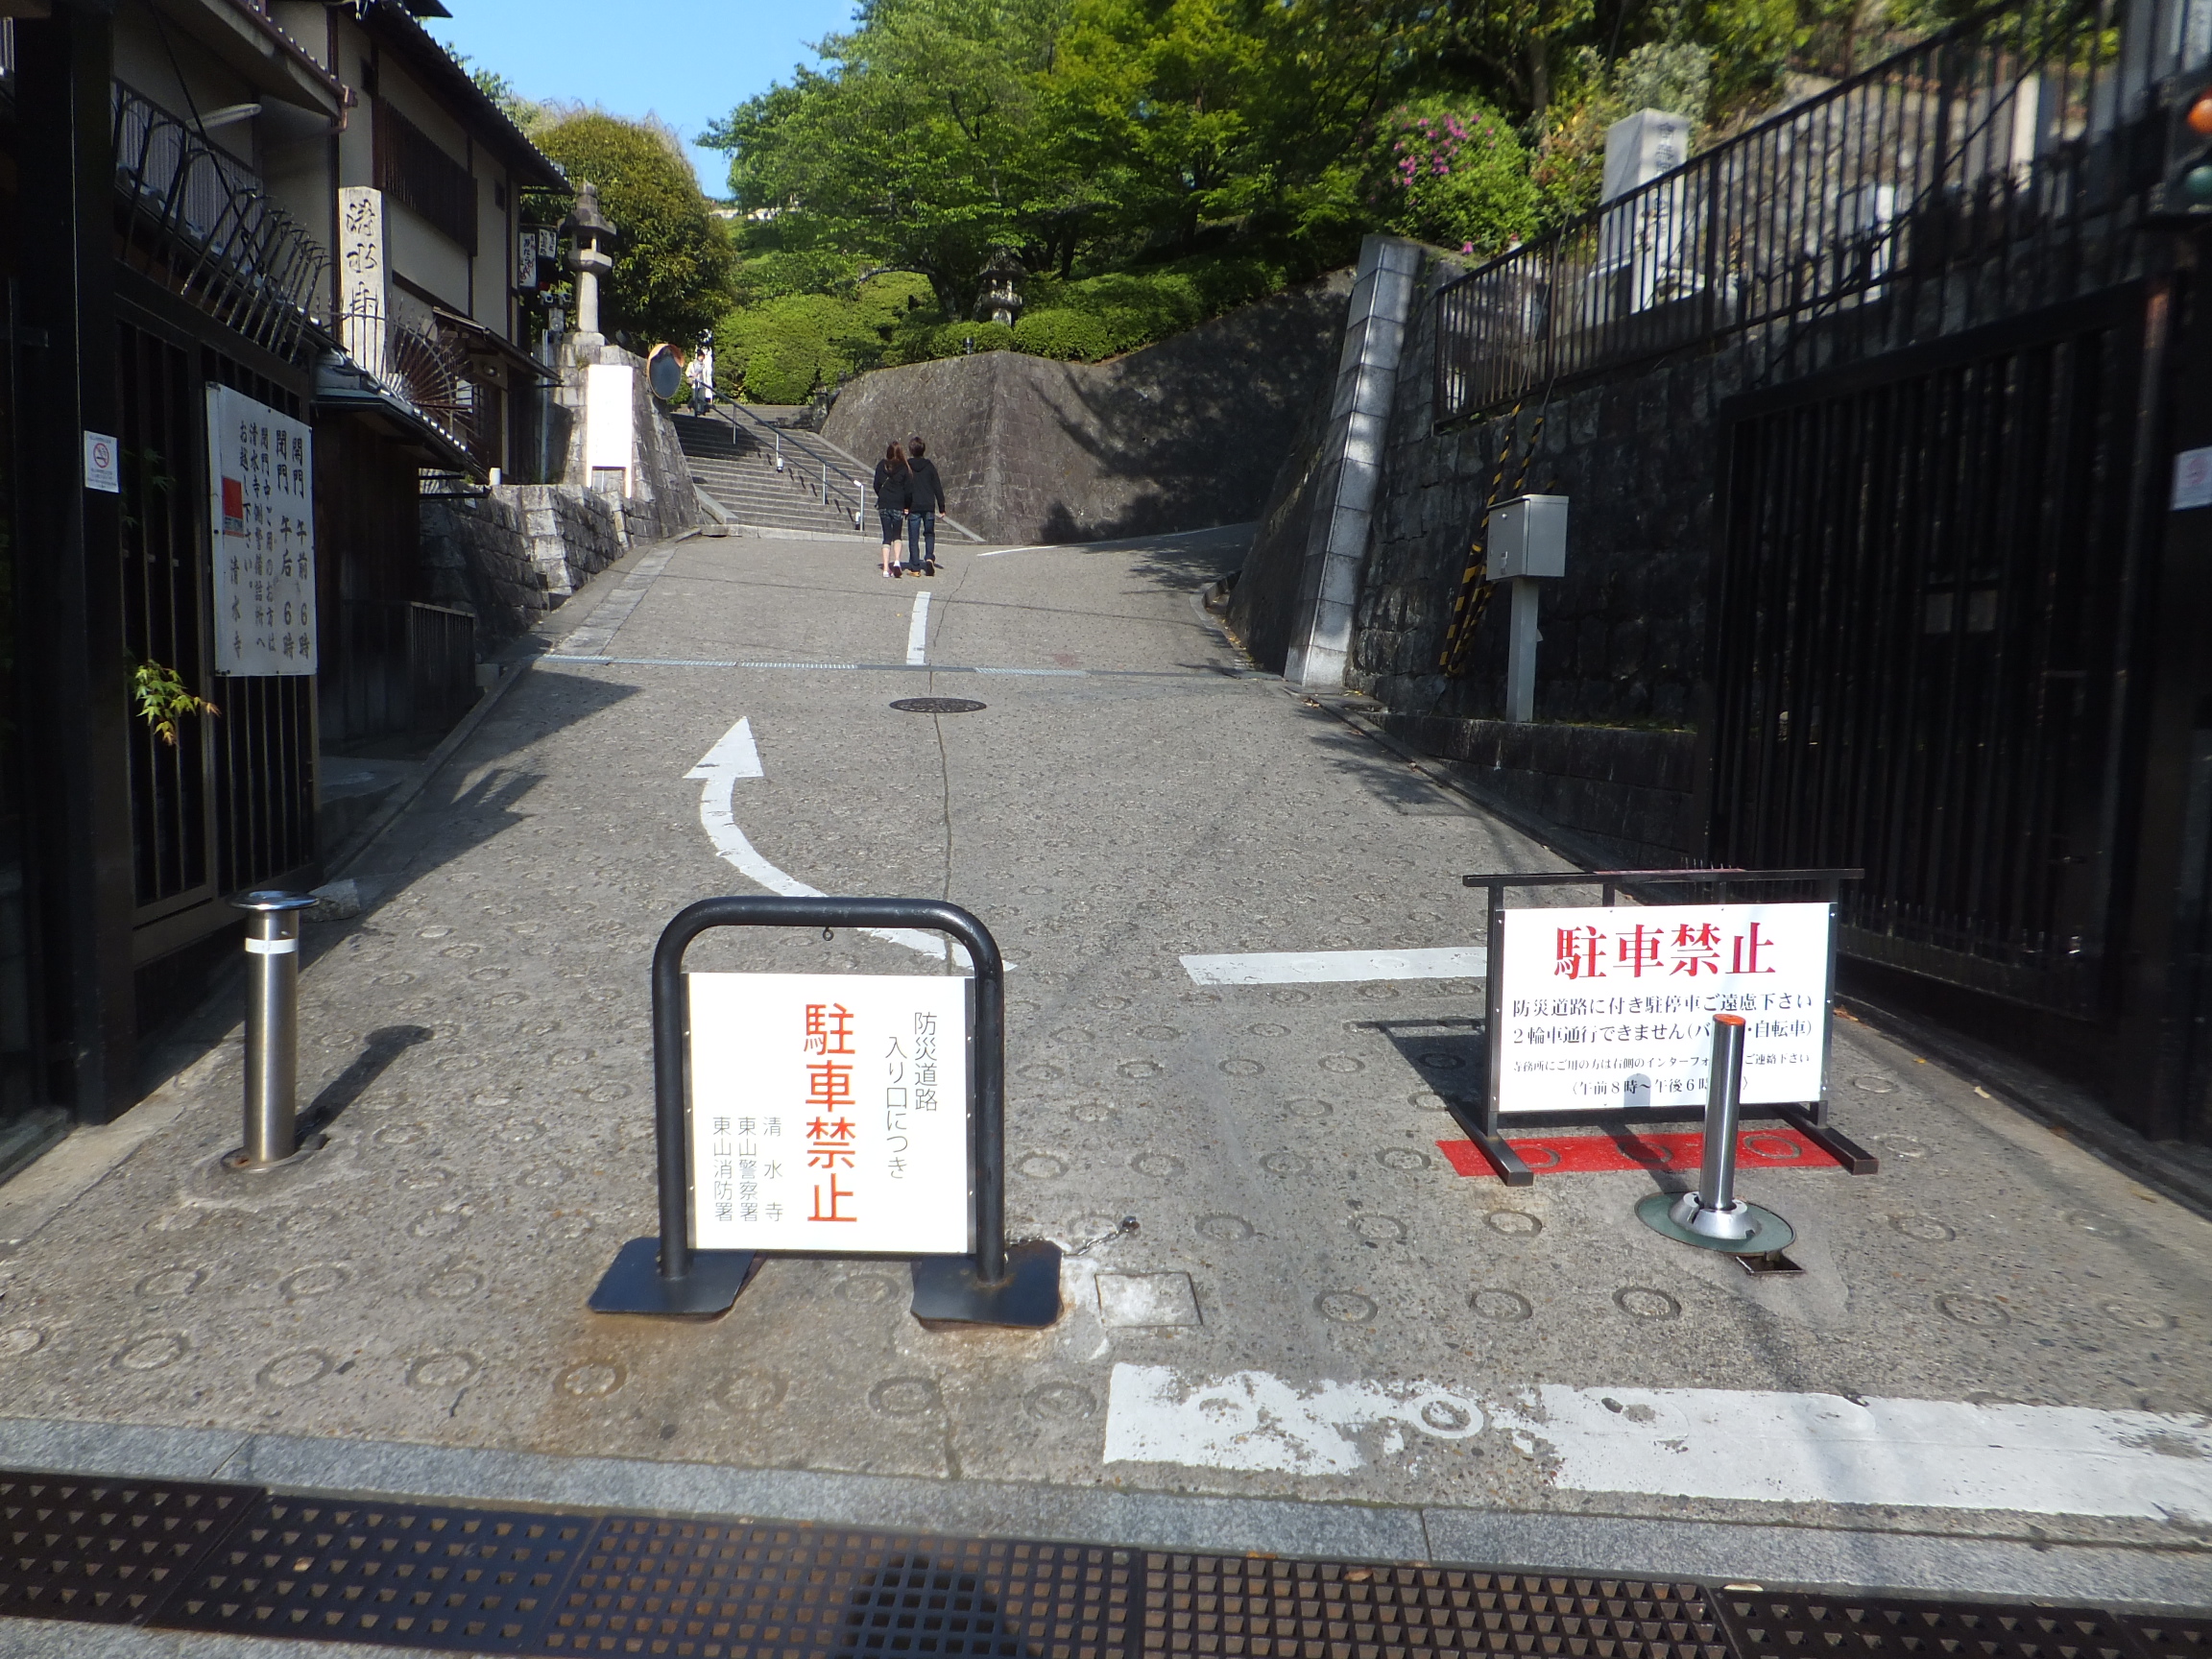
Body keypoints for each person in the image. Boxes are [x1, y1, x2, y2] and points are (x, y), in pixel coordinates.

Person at [905, 436, 948, 575]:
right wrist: (941, 507)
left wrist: (904, 505)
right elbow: (937, 487)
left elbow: (904, 487)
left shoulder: (908, 466)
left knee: (913, 537)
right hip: (929, 505)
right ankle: (929, 558)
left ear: (911, 450)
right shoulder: (929, 466)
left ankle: (915, 567)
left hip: (914, 506)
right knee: (929, 534)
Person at [872, 442, 912, 578]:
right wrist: (907, 505)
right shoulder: (904, 468)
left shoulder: (881, 465)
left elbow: (876, 484)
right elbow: (908, 490)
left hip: (883, 503)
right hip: (898, 504)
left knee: (886, 536)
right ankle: (896, 562)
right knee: (897, 536)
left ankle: (885, 568)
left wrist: (882, 495)